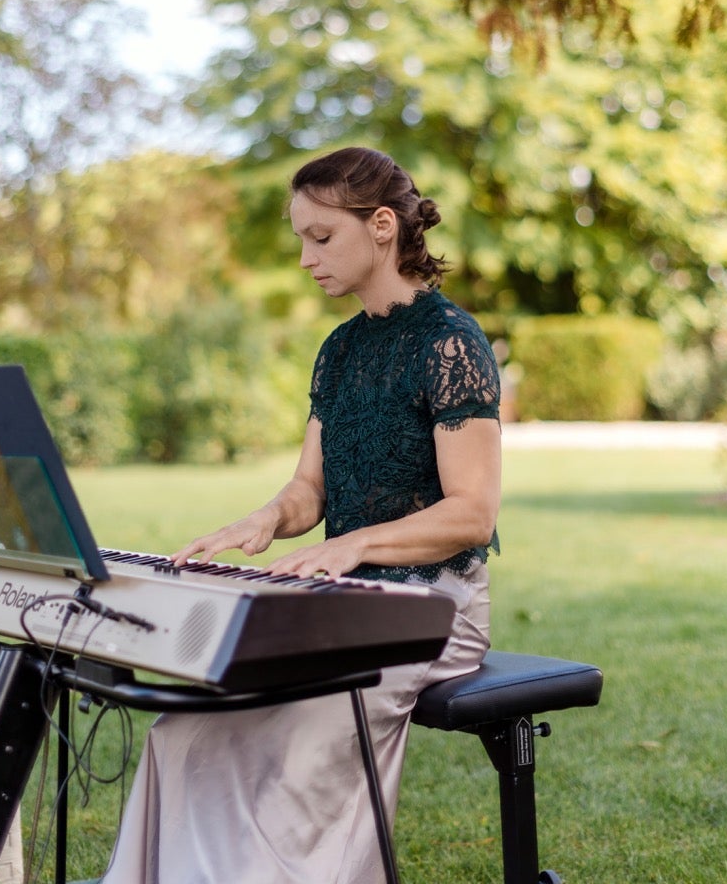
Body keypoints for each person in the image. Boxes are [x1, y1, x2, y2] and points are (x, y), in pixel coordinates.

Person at [99, 146, 502, 884]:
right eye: (300, 240)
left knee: (300, 752)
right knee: (184, 733)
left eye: (321, 237)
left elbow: (471, 514)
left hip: (432, 608)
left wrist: (352, 547)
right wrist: (260, 521)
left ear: (382, 227)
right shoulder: (339, 351)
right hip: (344, 602)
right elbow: (307, 492)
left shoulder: (450, 342)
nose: (304, 257)